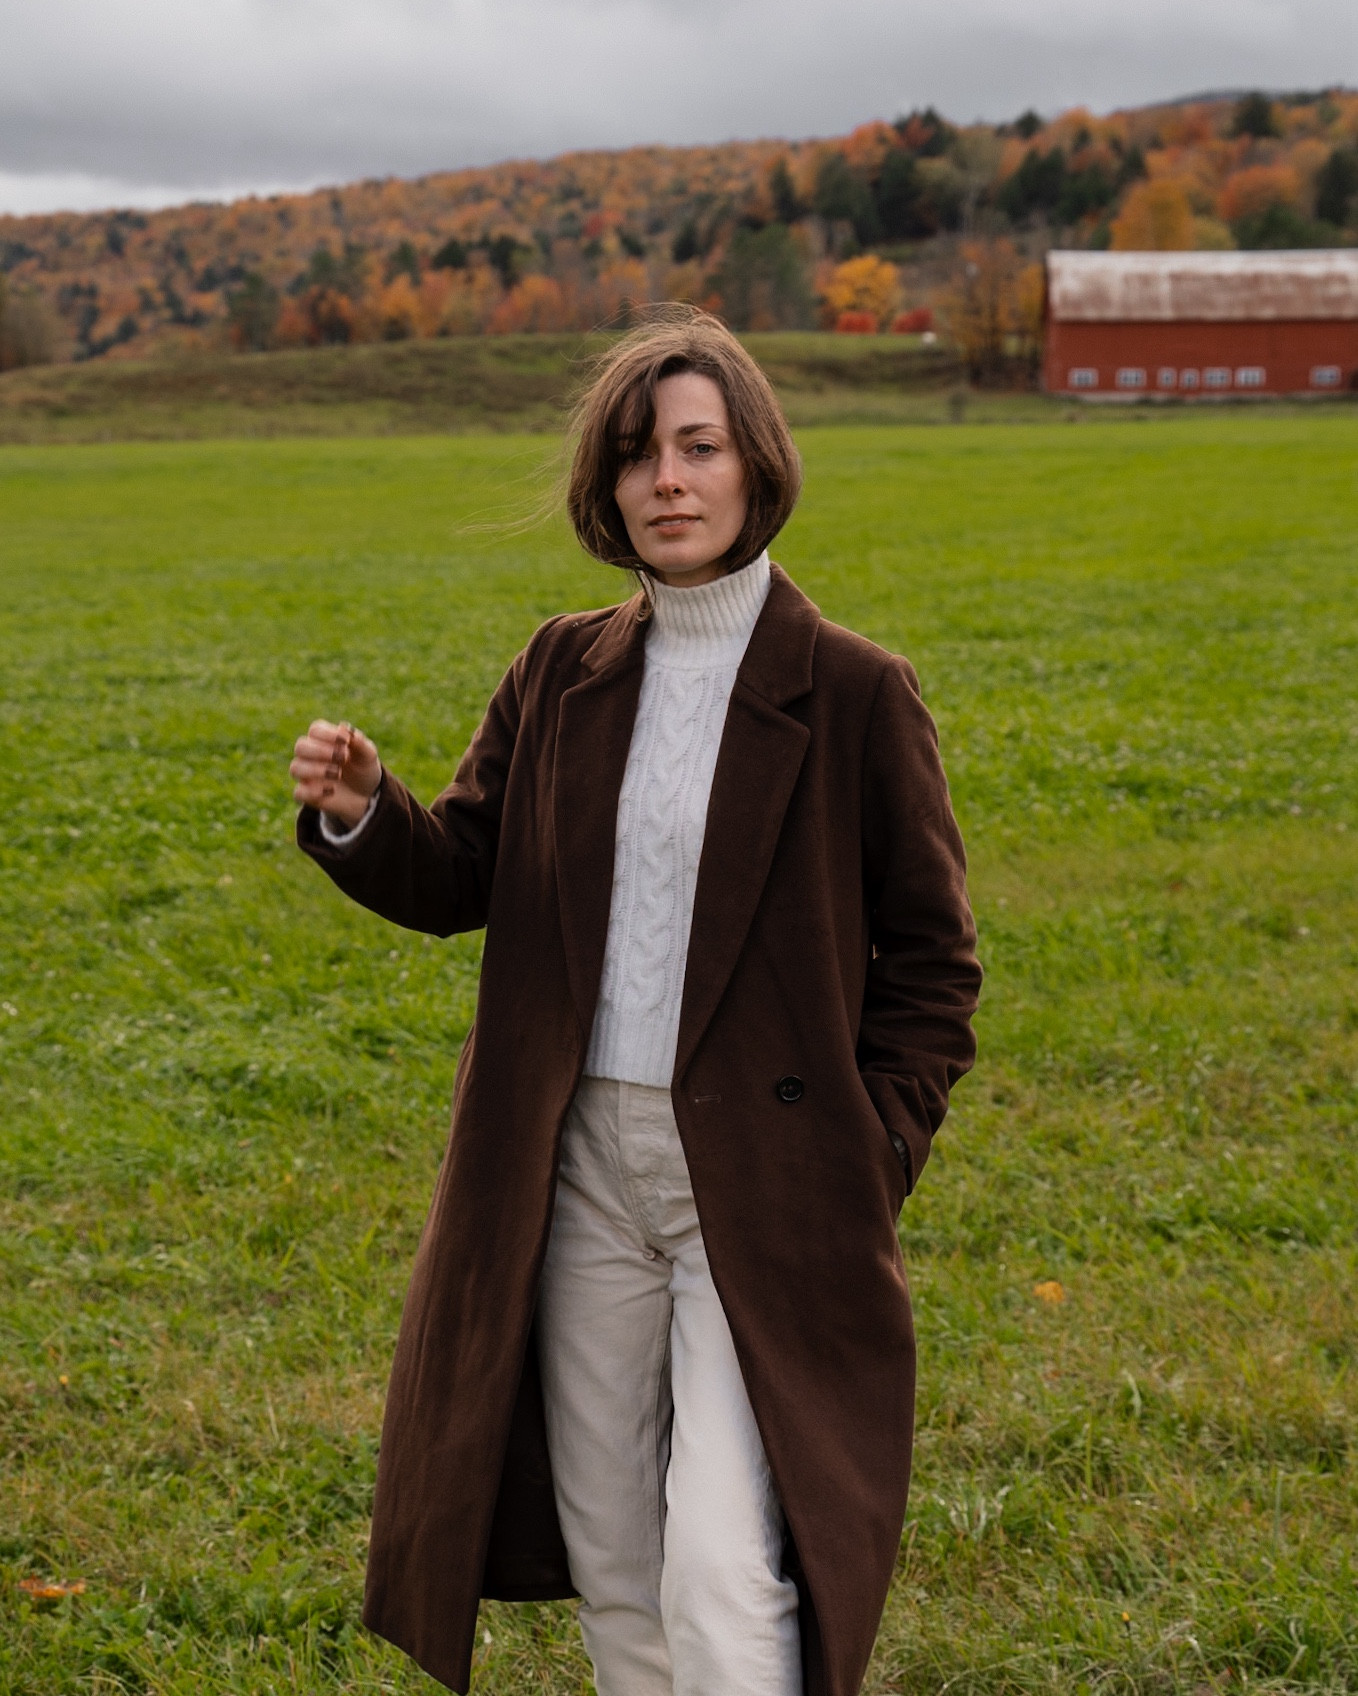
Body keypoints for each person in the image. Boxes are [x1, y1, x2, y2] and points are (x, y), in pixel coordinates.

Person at [290, 307, 981, 1696]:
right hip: (579, 1170)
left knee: (723, 1568)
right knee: (613, 1555)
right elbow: (464, 874)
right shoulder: (561, 671)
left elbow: (932, 968)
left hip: (764, 1178)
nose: (666, 480)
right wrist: (370, 813)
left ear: (752, 469)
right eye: (635, 457)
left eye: (696, 448)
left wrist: (867, 1153)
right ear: (605, 491)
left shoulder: (852, 693)